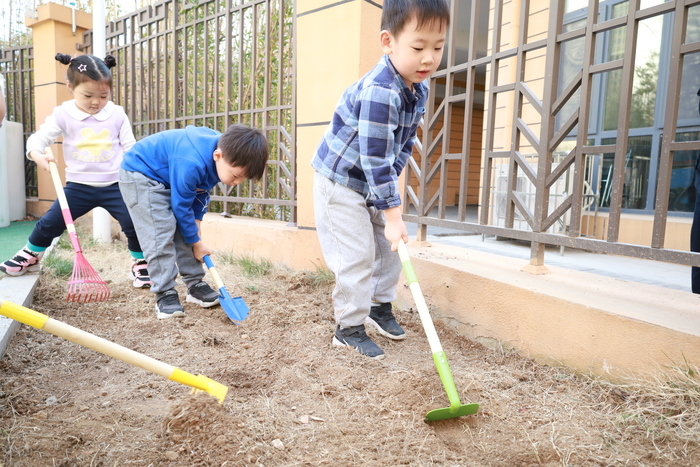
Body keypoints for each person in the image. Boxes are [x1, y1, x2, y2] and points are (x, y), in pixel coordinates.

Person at [311, 0, 450, 359]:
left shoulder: (418, 88)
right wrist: (392, 212)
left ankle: (377, 307)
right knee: (355, 255)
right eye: (418, 47)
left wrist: (390, 207)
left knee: (391, 250)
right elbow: (374, 156)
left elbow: (402, 146)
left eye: (438, 47)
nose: (429, 58)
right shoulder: (381, 90)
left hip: (372, 180)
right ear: (388, 42)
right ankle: (348, 327)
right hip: (340, 182)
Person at [0, 53, 152, 288]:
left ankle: (140, 262)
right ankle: (31, 254)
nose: (96, 102)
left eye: (103, 95)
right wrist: (39, 156)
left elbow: (131, 148)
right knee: (51, 222)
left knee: (133, 222)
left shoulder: (117, 114)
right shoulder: (63, 114)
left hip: (116, 184)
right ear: (70, 87)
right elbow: (36, 140)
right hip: (78, 186)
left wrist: (139, 174)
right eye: (88, 95)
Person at [119, 124, 268, 319]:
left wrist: (196, 228)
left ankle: (195, 285)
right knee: (161, 232)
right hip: (141, 176)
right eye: (235, 176)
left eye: (243, 179)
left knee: (188, 230)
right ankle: (165, 292)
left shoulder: (225, 152)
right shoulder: (191, 161)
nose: (236, 183)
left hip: (169, 178)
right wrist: (196, 243)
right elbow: (181, 206)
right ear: (217, 155)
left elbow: (199, 193)